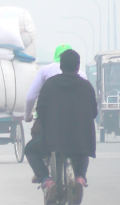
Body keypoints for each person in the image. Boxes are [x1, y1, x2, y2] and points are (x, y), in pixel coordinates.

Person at [24, 49, 97, 204]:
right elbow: (94, 112)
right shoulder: (86, 86)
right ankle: (80, 178)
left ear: (61, 66)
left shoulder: (49, 84)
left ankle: (47, 181)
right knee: (82, 149)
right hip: (80, 140)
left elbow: (41, 112)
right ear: (78, 66)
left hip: (53, 139)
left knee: (30, 149)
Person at [24, 44, 87, 123]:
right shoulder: (82, 76)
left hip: (49, 122)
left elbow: (31, 97)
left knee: (37, 133)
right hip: (75, 123)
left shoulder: (44, 71)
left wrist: (27, 117)